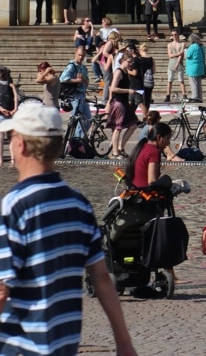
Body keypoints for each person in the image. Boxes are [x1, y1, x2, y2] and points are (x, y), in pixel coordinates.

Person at [0, 103, 137, 356]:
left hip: (20, 345)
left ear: (21, 145)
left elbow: (2, 287)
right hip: (64, 343)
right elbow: (101, 278)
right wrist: (124, 342)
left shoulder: (14, 205)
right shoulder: (79, 204)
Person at [124, 121, 172, 189]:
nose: (168, 143)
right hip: (145, 192)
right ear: (159, 137)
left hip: (134, 190)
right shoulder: (154, 152)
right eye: (167, 139)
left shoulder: (141, 147)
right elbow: (151, 181)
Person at [60, 46, 90, 139]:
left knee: (88, 120)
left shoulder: (83, 67)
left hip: (82, 96)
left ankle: (77, 139)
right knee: (77, 121)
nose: (81, 57)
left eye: (83, 55)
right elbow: (62, 79)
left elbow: (87, 82)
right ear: (75, 53)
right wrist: (76, 80)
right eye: (79, 55)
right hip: (74, 96)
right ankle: (76, 141)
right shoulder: (71, 66)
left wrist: (83, 78)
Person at [164, 29, 187, 103]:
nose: (174, 36)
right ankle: (168, 95)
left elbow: (181, 54)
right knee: (169, 80)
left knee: (181, 80)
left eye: (175, 34)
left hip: (179, 64)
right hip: (171, 64)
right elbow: (170, 55)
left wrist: (177, 63)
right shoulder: (169, 45)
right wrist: (178, 54)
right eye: (172, 34)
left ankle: (184, 95)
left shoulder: (182, 44)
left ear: (178, 35)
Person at [185, 32, 206, 103]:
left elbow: (187, 55)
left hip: (192, 67)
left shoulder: (192, 46)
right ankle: (200, 97)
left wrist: (185, 50)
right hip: (200, 66)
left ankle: (195, 97)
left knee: (193, 83)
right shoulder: (202, 46)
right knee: (198, 83)